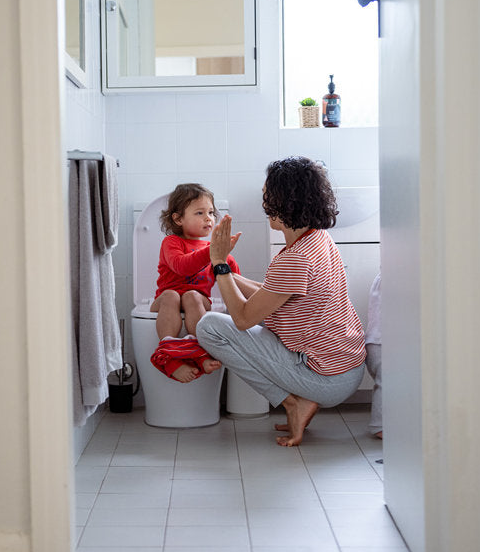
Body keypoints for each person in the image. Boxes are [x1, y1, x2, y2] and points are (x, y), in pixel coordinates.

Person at [197, 157, 367, 446]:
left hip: (328, 380)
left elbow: (242, 318)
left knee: (209, 326)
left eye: (268, 197)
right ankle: (299, 401)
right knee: (232, 313)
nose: (264, 205)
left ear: (286, 202)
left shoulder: (295, 258)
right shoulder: (317, 239)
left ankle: (293, 403)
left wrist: (219, 264)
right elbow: (273, 294)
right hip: (348, 367)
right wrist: (225, 272)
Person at [150, 183, 240, 382]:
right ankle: (168, 356)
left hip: (197, 300)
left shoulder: (211, 248)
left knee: (192, 295)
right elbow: (182, 266)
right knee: (172, 295)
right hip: (166, 299)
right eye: (199, 213)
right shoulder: (172, 243)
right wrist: (213, 252)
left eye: (210, 212)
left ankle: (201, 354)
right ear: (178, 218)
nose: (208, 218)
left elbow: (234, 278)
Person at [365, 272, 383, 438]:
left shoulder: (381, 277)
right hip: (382, 345)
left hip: (374, 343)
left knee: (385, 383)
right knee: (386, 383)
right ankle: (380, 426)